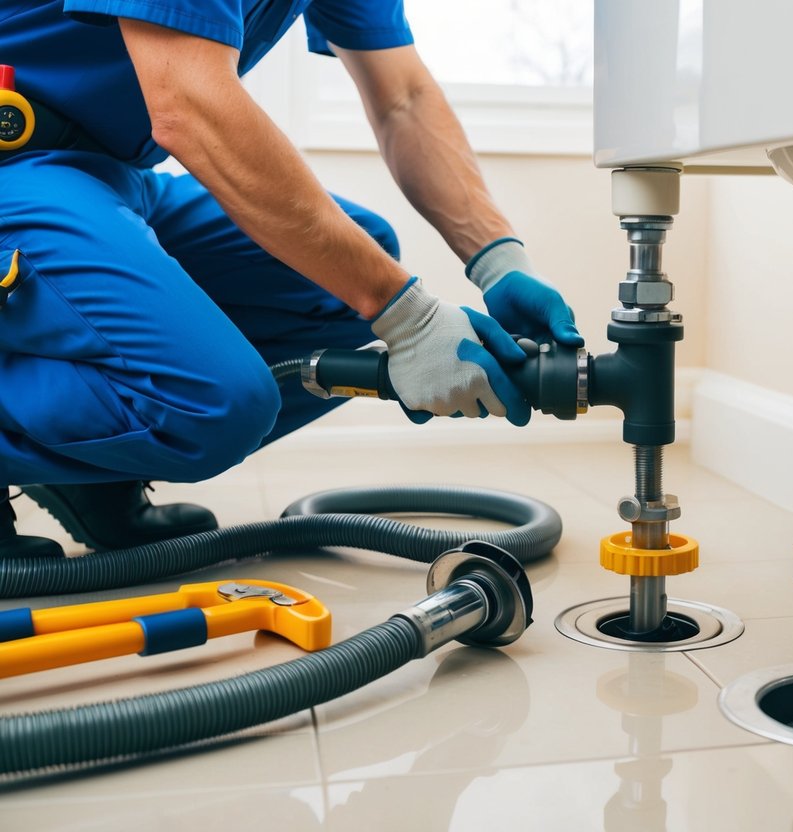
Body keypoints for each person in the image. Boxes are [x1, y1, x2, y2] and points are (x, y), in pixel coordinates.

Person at [0, 1, 582, 558]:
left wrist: (498, 260)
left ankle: (94, 470)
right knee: (217, 407)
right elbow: (188, 101)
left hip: (105, 172)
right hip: (15, 165)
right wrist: (409, 316)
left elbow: (402, 96)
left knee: (350, 269)